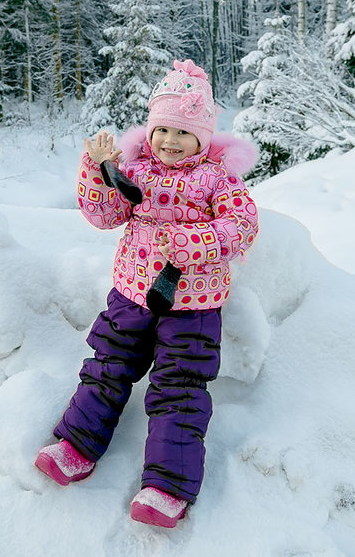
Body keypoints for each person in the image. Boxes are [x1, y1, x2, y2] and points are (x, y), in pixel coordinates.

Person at [34, 58, 259, 528]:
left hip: (193, 307)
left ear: (204, 136)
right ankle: (76, 445)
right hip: (131, 294)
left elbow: (242, 226)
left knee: (179, 388)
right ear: (150, 129)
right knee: (106, 368)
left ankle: (166, 485)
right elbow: (104, 216)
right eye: (163, 130)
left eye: (183, 133)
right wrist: (97, 169)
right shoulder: (136, 169)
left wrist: (192, 241)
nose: (170, 142)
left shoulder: (218, 179)